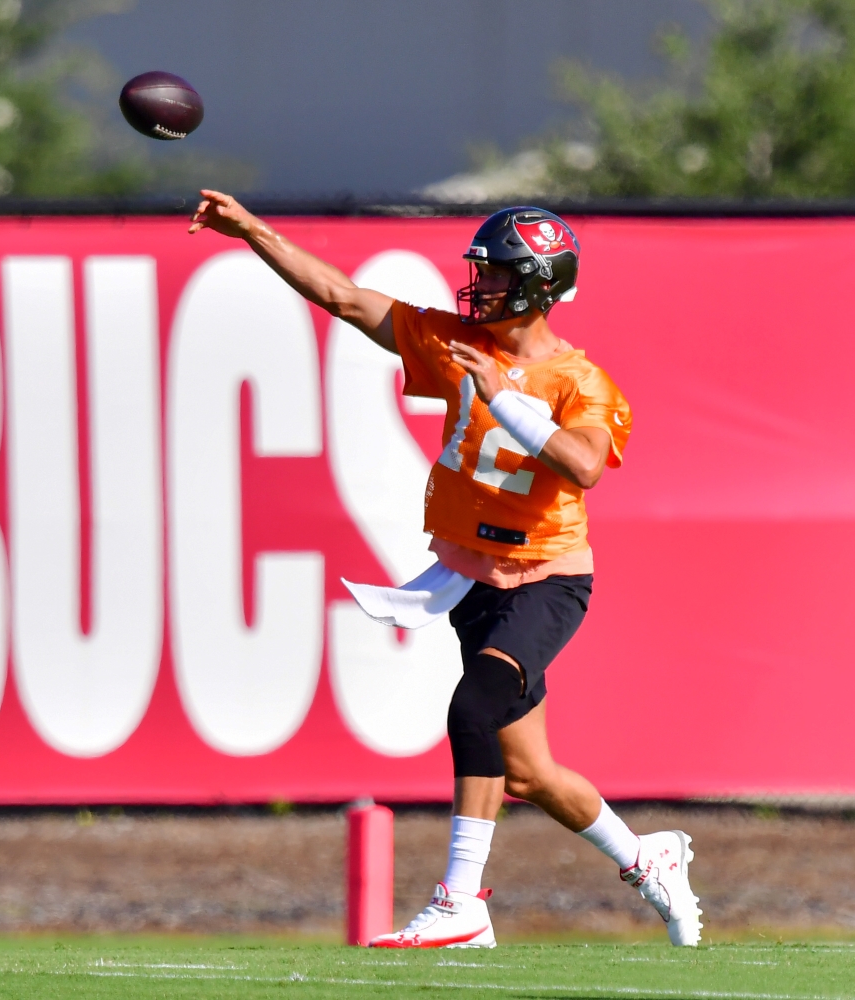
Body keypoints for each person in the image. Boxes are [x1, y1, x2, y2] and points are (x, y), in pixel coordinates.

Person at [189, 192, 701, 949]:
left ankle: (463, 903)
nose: (479, 284)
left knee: (472, 710)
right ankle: (646, 857)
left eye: (496, 274)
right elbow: (340, 295)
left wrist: (510, 403)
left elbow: (585, 464)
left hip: (545, 578)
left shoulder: (579, 381)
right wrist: (252, 231)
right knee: (527, 774)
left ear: (537, 285)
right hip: (471, 583)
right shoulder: (453, 341)